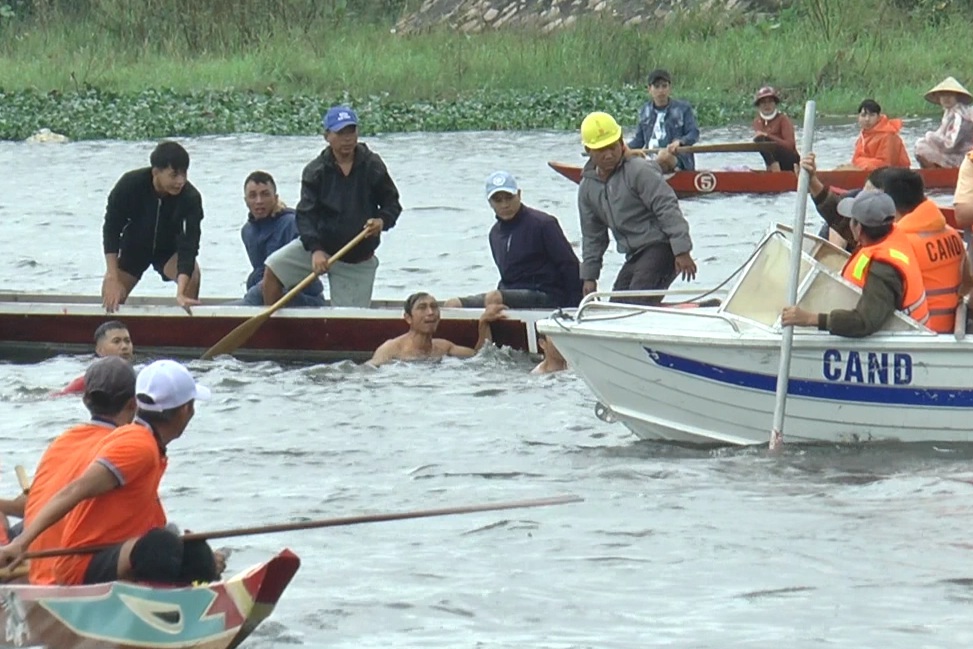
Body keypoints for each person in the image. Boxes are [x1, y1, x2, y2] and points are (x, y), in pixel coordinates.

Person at [0, 360, 220, 586]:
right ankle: (157, 610)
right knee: (161, 546)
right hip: (76, 567)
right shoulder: (138, 445)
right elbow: (75, 490)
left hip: (101, 554)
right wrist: (21, 543)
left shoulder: (145, 444)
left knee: (191, 550)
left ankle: (192, 596)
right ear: (186, 410)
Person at [262, 106, 402, 308]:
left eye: (351, 131)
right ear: (327, 136)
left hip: (357, 258)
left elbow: (392, 203)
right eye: (340, 133)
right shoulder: (315, 170)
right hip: (319, 249)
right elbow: (306, 216)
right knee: (272, 270)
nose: (347, 139)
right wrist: (316, 250)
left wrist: (382, 221)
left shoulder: (372, 165)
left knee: (351, 324)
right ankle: (273, 332)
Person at [28, 357, 138, 584]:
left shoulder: (62, 440)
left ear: (86, 399)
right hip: (71, 576)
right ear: (133, 404)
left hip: (39, 570)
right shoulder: (126, 447)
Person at [578, 111, 697, 306]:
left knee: (636, 304)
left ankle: (702, 309)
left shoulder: (639, 170)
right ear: (588, 150)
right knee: (616, 306)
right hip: (634, 254)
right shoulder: (587, 188)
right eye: (601, 150)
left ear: (620, 142)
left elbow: (667, 207)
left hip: (661, 247)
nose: (609, 154)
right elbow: (593, 236)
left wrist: (682, 250)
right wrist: (589, 276)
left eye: (612, 147)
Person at [781, 191, 929, 337]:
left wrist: (810, 319)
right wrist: (814, 184)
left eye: (851, 219)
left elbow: (865, 322)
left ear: (858, 228)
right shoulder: (888, 233)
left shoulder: (884, 268)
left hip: (902, 342)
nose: (848, 223)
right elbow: (839, 220)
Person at [443, 171, 582, 309]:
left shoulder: (543, 224)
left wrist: (573, 305)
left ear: (519, 195)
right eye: (498, 200)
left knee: (494, 298)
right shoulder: (494, 233)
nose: (504, 205)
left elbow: (569, 265)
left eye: (509, 198)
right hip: (509, 293)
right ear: (490, 203)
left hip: (547, 293)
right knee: (453, 304)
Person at [101, 141, 203, 313]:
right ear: (156, 172)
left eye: (184, 174)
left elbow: (189, 245)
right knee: (111, 295)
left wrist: (181, 293)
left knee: (193, 272)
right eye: (174, 175)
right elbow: (111, 229)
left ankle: (186, 322)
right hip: (134, 249)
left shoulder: (191, 197)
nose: (181, 181)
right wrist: (112, 275)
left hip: (168, 251)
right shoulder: (129, 184)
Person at [881, 167, 969, 333]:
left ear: (889, 204)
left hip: (918, 330)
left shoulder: (900, 244)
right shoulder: (952, 235)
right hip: (952, 327)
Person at [239, 171, 324, 307]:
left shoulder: (292, 224)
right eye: (253, 196)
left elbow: (302, 276)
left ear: (275, 197)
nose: (259, 201)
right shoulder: (247, 231)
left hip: (302, 297)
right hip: (263, 295)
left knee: (254, 296)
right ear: (246, 200)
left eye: (265, 194)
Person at [368, 292, 507, 367]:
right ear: (408, 318)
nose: (430, 312)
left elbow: (481, 357)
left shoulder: (444, 347)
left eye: (434, 307)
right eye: (422, 308)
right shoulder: (391, 349)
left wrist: (484, 323)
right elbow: (367, 371)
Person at [628, 69, 700, 171]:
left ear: (669, 88)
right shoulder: (645, 110)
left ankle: (649, 170)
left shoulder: (683, 108)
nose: (661, 90)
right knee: (625, 158)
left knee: (664, 156)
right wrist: (622, 148)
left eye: (664, 86)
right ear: (649, 89)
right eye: (657, 87)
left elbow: (694, 133)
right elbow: (639, 141)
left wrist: (680, 142)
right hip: (650, 157)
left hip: (677, 159)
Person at [54, 320, 135, 396]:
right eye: (116, 341)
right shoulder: (89, 382)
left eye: (127, 341)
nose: (125, 346)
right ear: (100, 350)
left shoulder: (139, 377)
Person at [915, 77, 973, 169]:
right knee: (922, 144)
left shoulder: (959, 115)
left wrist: (930, 136)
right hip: (957, 155)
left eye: (950, 95)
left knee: (921, 146)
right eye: (943, 95)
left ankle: (940, 174)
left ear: (957, 97)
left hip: (965, 158)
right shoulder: (949, 113)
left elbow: (949, 145)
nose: (946, 98)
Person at [841, 99, 910, 171]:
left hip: (895, 176)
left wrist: (861, 165)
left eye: (871, 115)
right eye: (863, 115)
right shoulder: (863, 136)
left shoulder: (888, 135)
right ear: (858, 117)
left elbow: (885, 164)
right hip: (868, 172)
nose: (867, 119)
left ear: (878, 117)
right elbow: (855, 161)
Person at [751, 86, 799, 172]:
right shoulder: (757, 122)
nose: (767, 105)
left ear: (775, 104)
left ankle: (775, 170)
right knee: (759, 139)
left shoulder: (783, 119)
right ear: (759, 106)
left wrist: (768, 136)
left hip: (790, 160)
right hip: (772, 161)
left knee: (763, 139)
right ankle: (772, 170)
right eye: (763, 102)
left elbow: (790, 145)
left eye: (770, 102)